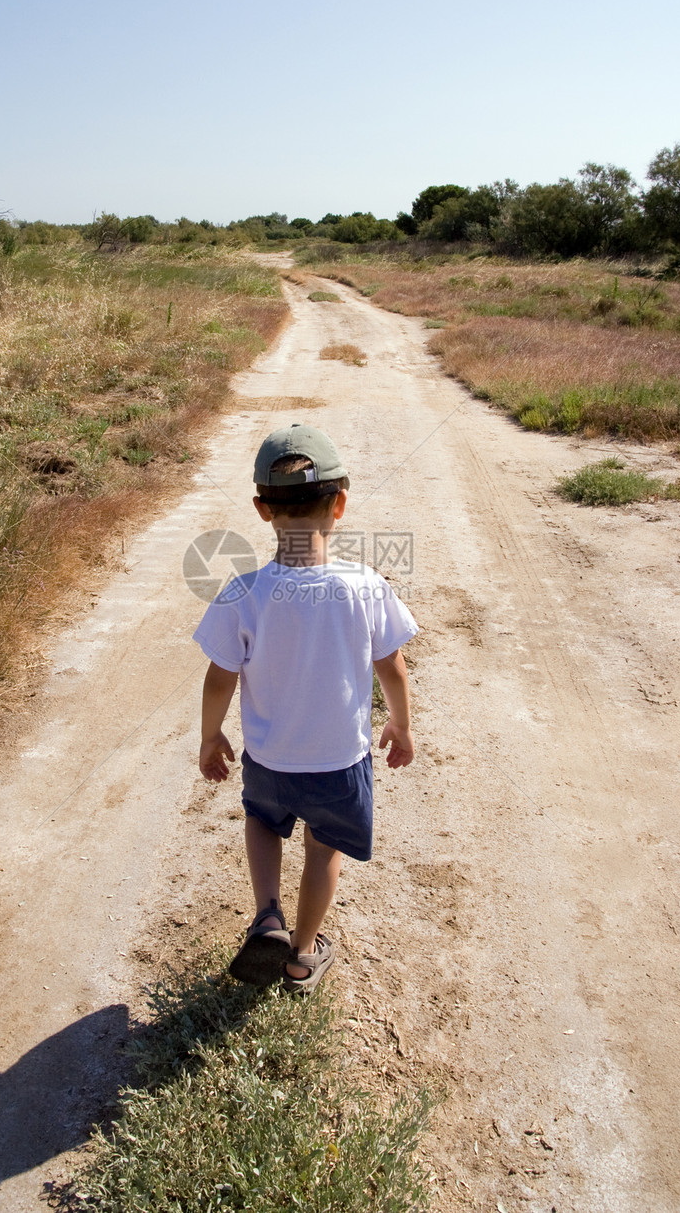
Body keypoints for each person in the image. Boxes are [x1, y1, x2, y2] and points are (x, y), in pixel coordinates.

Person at [194, 423, 417, 993]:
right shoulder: (365, 585)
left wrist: (211, 736)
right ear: (340, 504)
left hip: (269, 758)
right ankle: (300, 956)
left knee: (264, 823)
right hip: (339, 762)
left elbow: (220, 678)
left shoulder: (241, 593)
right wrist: (400, 723)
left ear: (262, 508)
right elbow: (390, 666)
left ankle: (267, 914)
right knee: (323, 850)